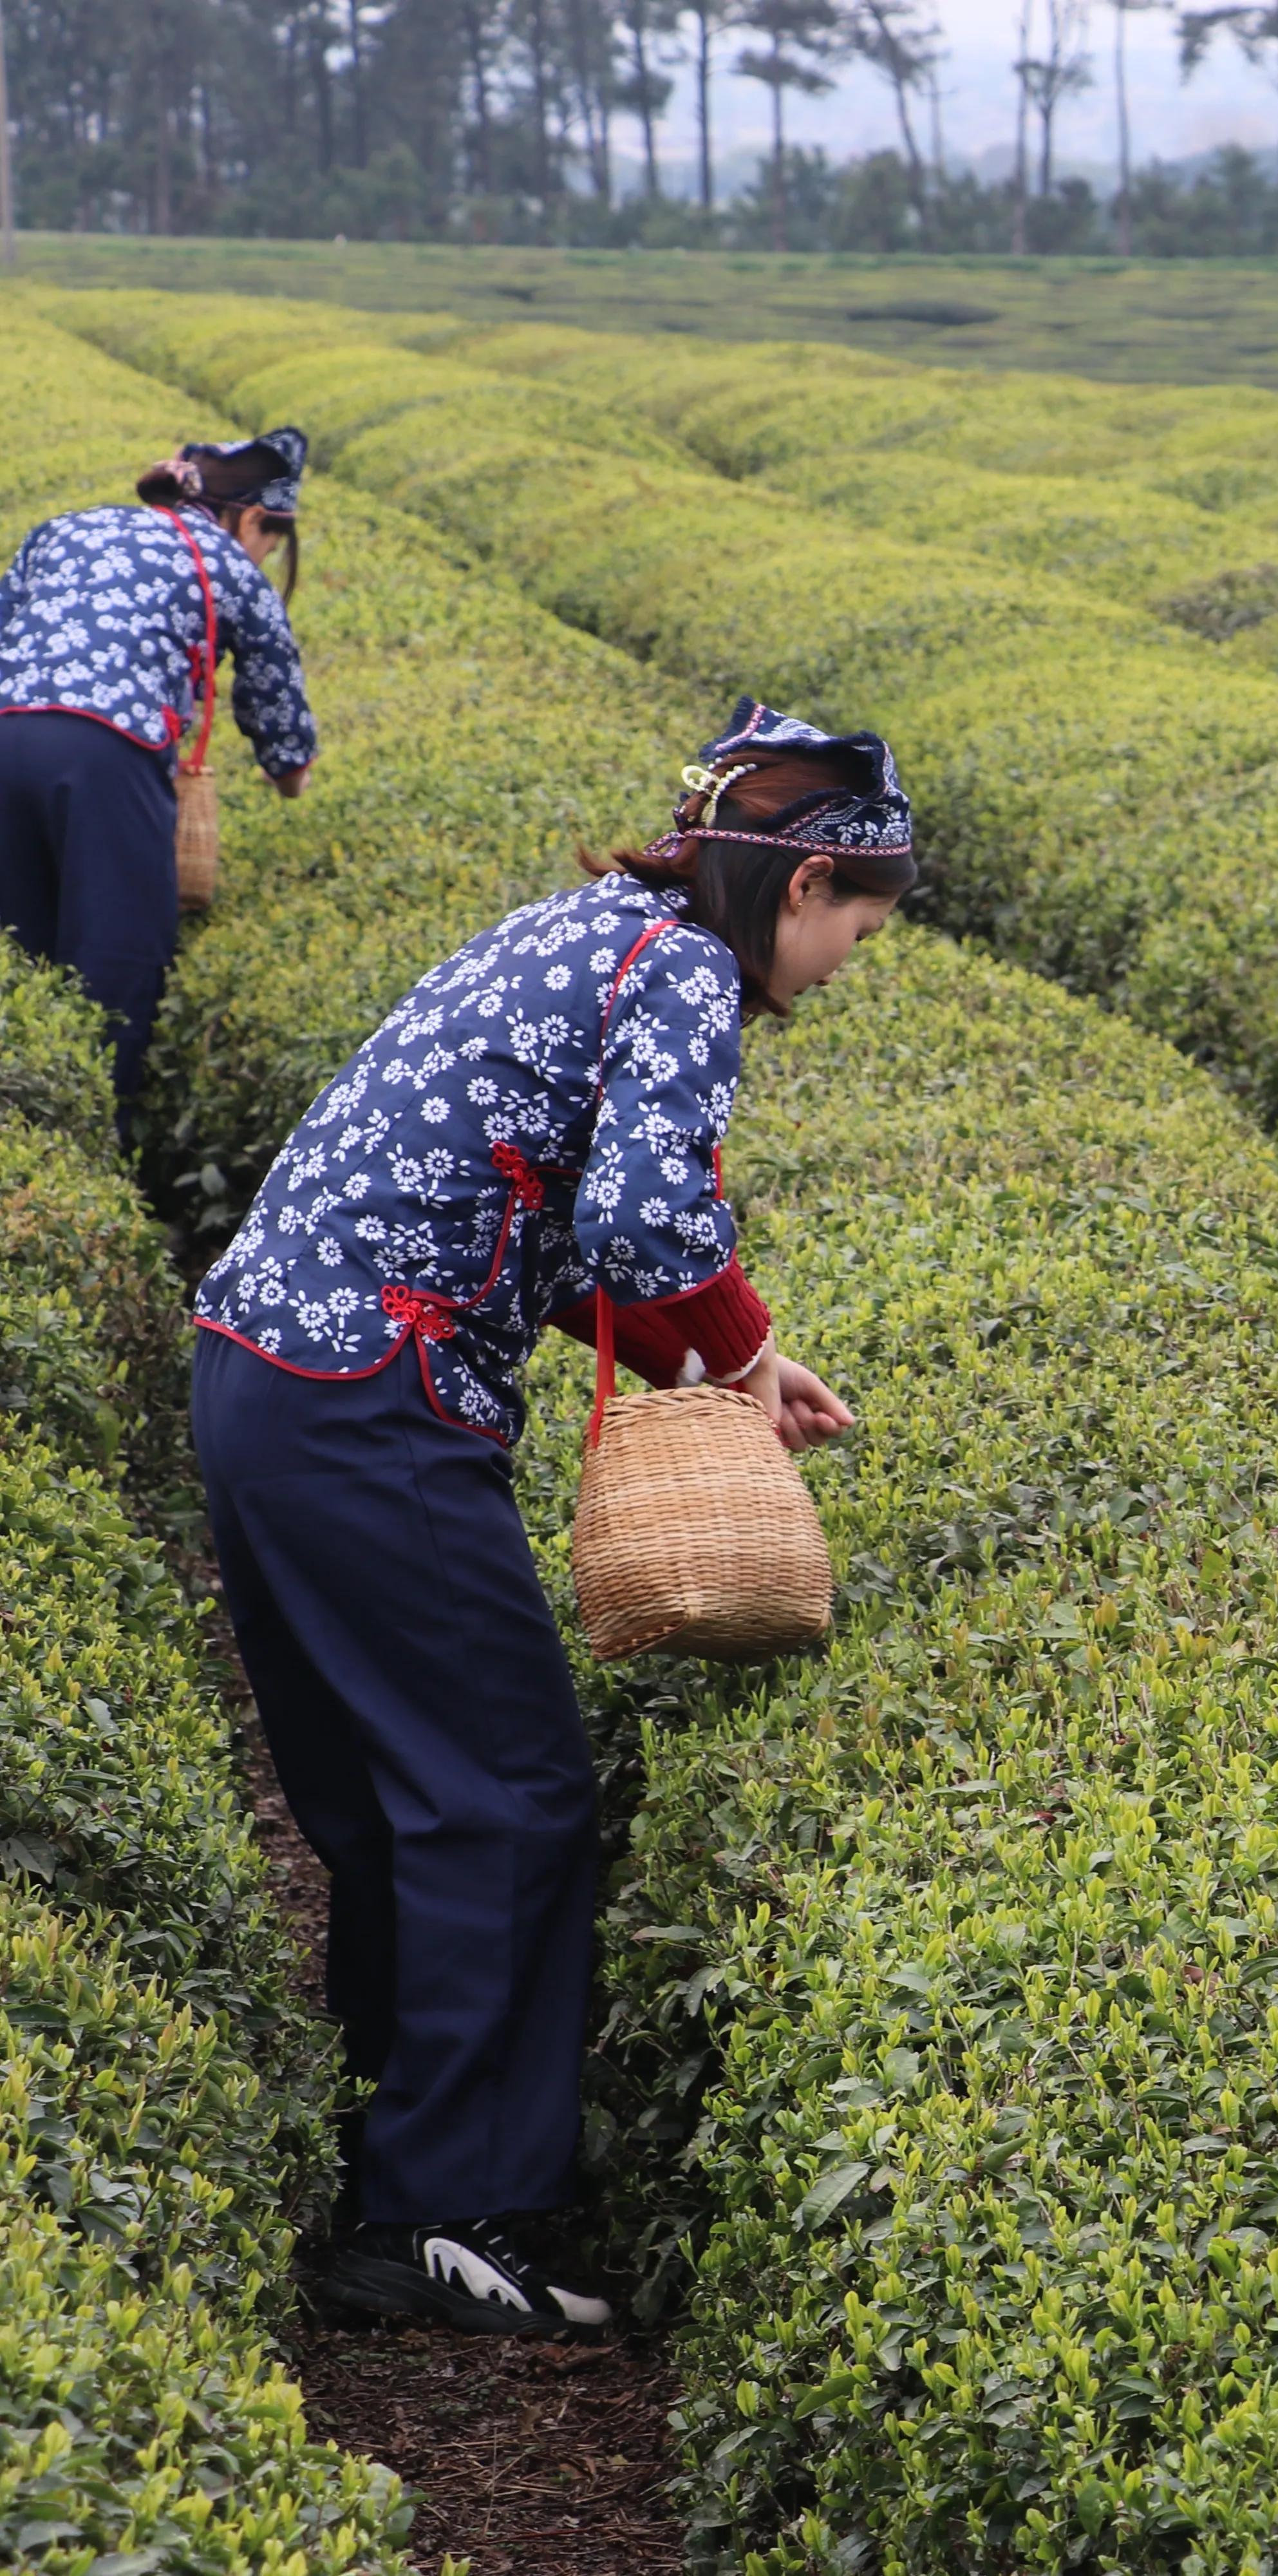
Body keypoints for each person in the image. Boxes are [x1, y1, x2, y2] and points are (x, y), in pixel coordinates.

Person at [190, 701, 914, 2338]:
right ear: (799, 889)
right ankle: (453, 2211)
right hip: (376, 1395)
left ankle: (395, 2170)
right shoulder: (683, 971)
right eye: (862, 925)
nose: (855, 958)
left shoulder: (586, 924)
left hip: (263, 1379)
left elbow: (570, 1223)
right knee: (516, 1794)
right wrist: (731, 1341)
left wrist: (741, 1358)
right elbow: (655, 1219)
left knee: (396, 1802)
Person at [0, 429, 319, 1105]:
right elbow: (278, 709)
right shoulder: (229, 565)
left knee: (16, 947)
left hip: (4, 734)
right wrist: (289, 774)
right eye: (271, 539)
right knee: (117, 955)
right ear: (255, 517)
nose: (264, 554)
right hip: (106, 753)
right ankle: (96, 1137)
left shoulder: (60, 530)